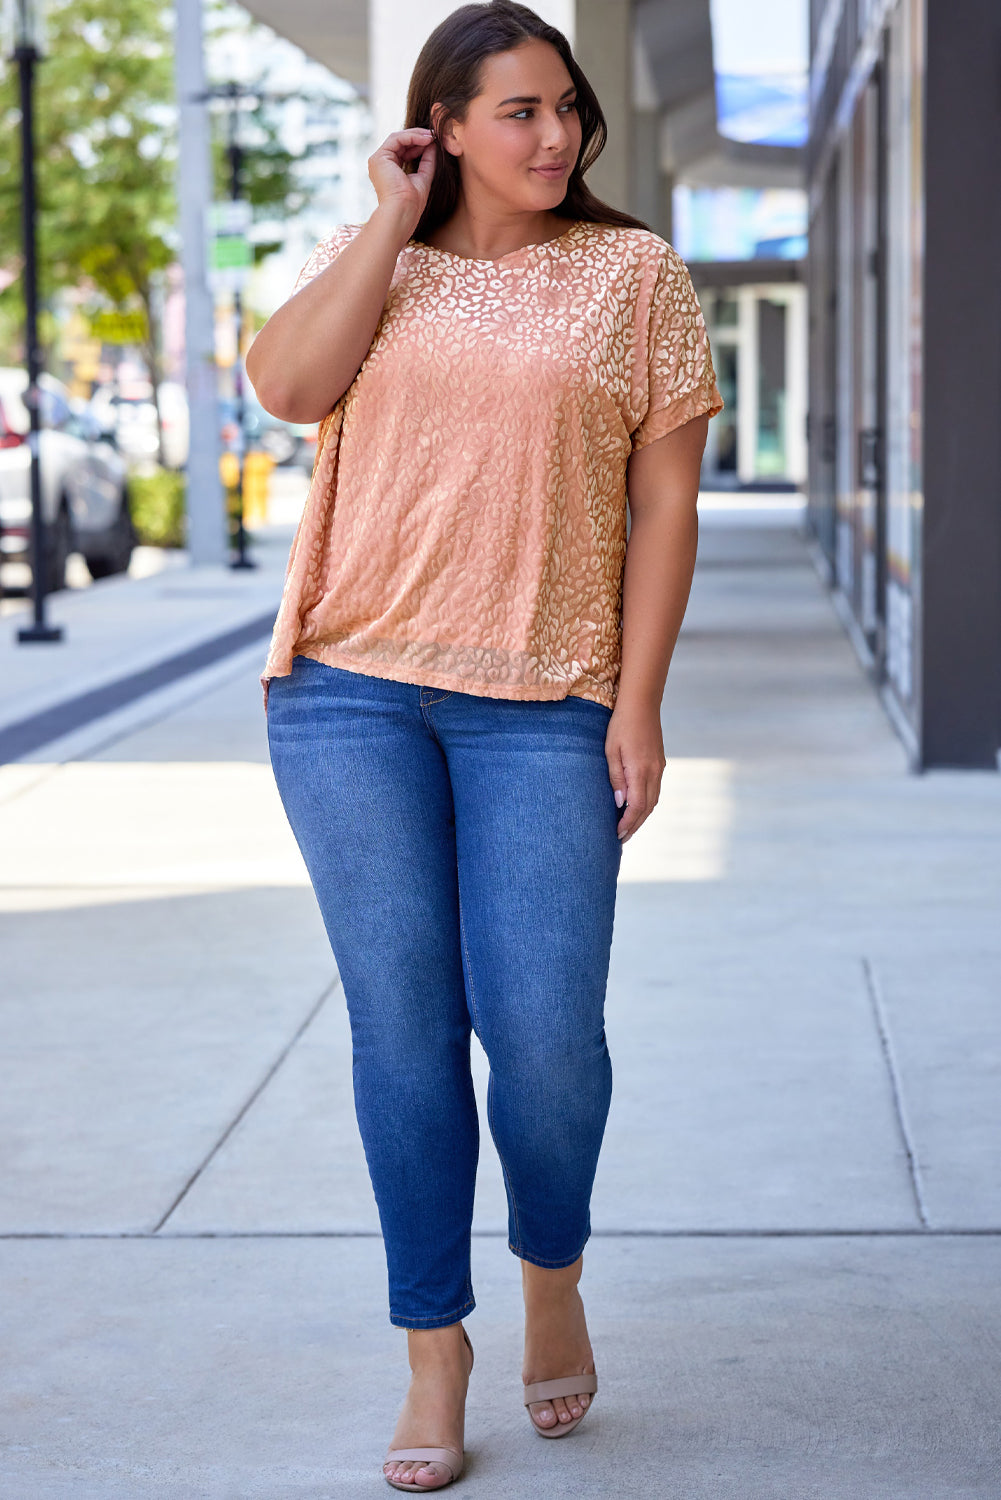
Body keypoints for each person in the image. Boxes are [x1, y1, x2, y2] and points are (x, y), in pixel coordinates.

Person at [247, 1, 722, 1489]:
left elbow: (665, 507)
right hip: (346, 693)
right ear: (439, 125)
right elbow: (283, 388)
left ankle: (551, 1270)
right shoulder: (374, 264)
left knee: (547, 1044)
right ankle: (432, 1346)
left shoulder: (631, 275)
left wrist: (635, 703)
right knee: (401, 1033)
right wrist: (388, 222)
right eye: (516, 111)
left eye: (565, 109)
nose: (555, 135)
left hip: (547, 704)